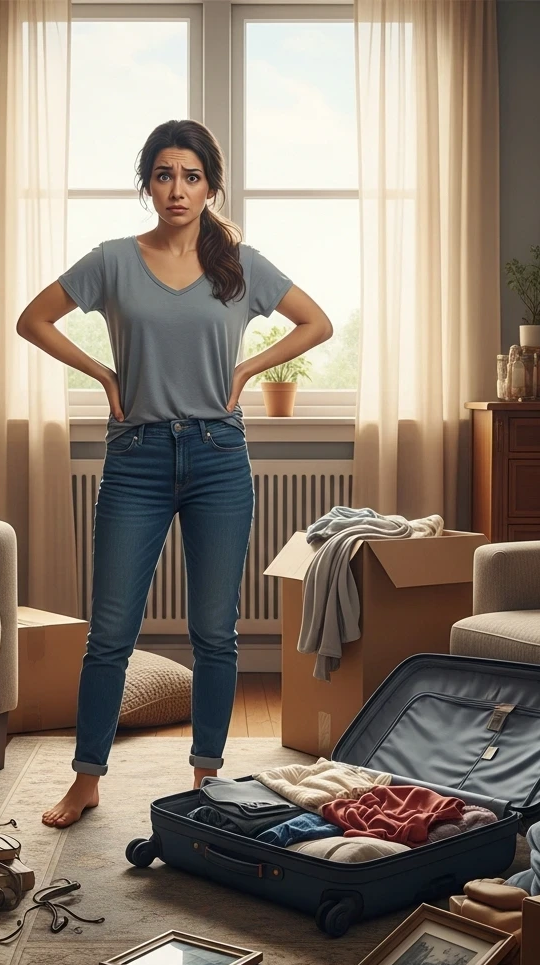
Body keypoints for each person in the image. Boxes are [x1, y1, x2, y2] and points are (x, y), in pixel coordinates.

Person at [16, 119, 333, 828]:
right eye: (163, 174)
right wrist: (101, 372)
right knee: (111, 634)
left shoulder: (240, 266)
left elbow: (317, 323)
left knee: (214, 633)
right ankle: (86, 779)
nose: (177, 188)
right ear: (147, 185)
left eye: (191, 175)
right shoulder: (112, 261)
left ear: (211, 185)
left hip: (221, 457)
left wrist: (250, 366)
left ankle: (207, 776)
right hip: (138, 458)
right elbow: (32, 319)